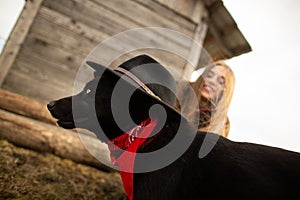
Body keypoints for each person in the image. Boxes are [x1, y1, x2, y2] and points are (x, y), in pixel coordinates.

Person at [175, 61, 235, 137]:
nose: (212, 81)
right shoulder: (179, 91)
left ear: (225, 91)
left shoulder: (223, 124)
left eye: (220, 82)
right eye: (209, 76)